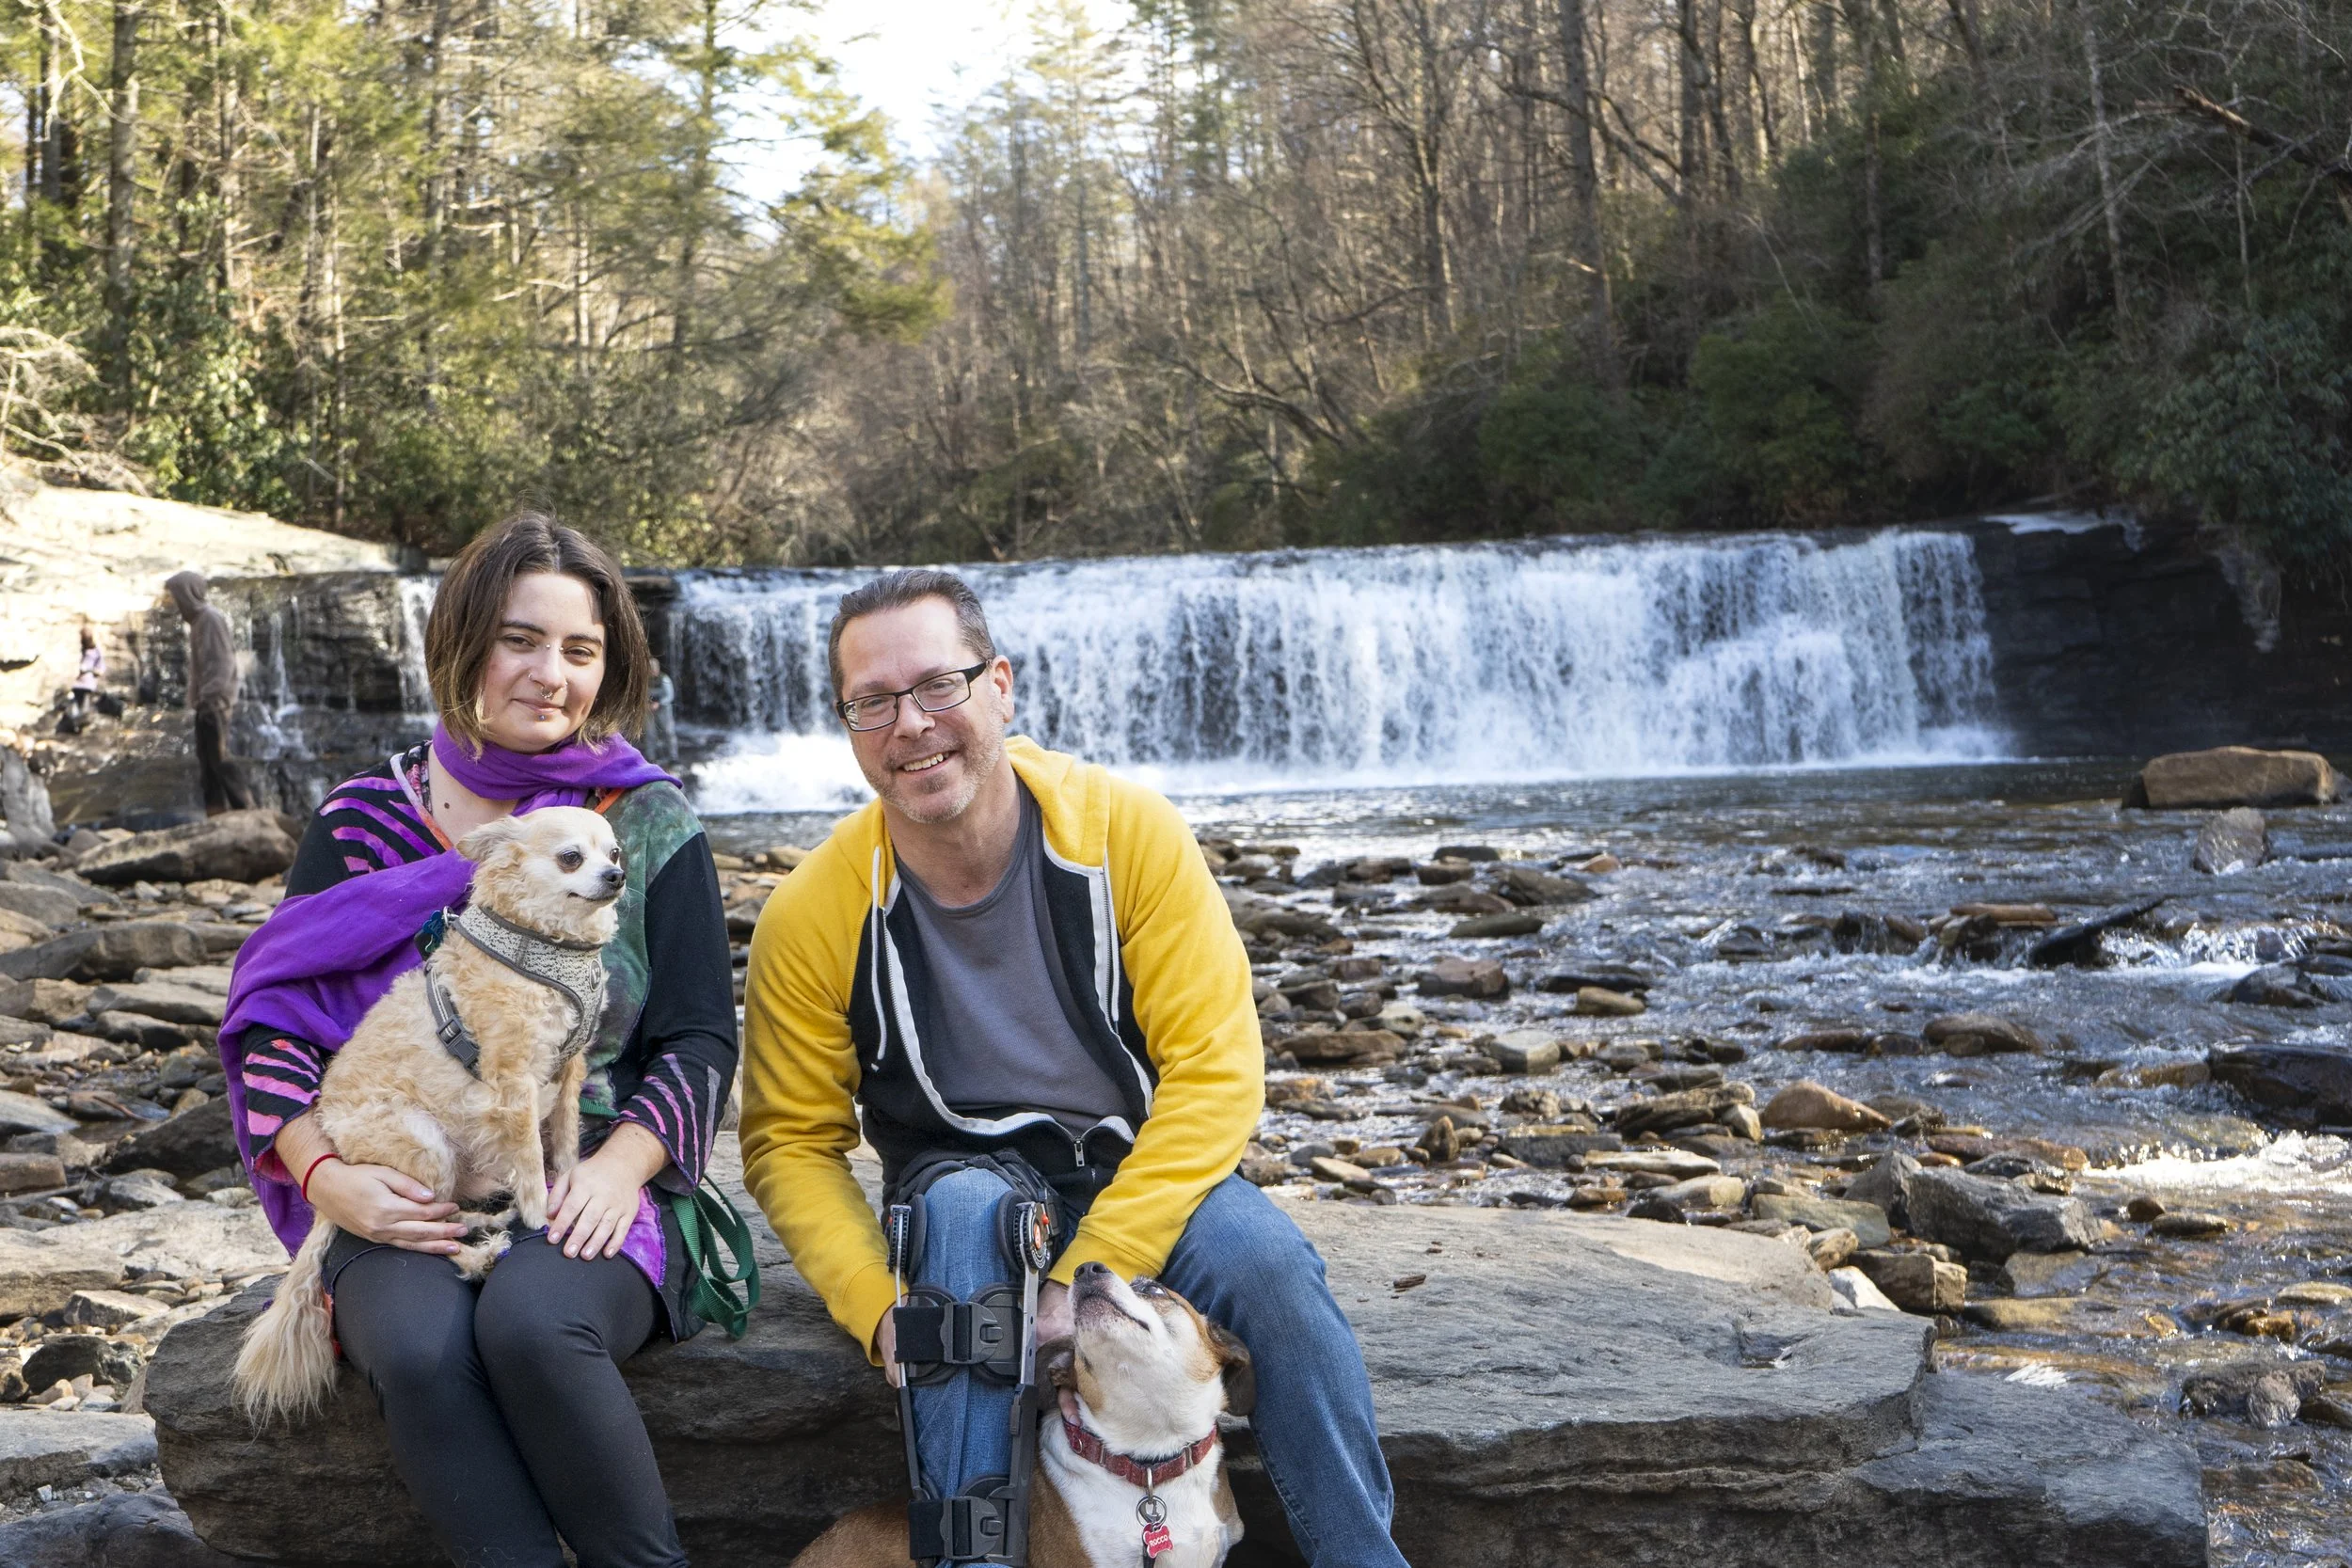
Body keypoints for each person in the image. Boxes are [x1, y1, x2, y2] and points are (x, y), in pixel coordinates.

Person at [739, 569, 1408, 1568]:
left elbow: (1216, 1073)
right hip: (958, 1179)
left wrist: (1077, 1273)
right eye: (871, 701)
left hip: (1137, 1169)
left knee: (1272, 1273)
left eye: (939, 686)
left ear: (999, 685)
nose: (911, 724)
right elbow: (791, 1141)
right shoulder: (812, 911)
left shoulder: (1128, 834)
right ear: (847, 723)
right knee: (965, 1231)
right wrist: (878, 1306)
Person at [218, 512, 739, 1568]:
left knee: (531, 1324)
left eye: (580, 649)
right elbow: (279, 1023)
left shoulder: (644, 823)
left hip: (588, 1163)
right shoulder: (364, 823)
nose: (550, 673)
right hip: (401, 1163)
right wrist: (325, 1177)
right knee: (416, 1343)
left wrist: (621, 1166)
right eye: (520, 639)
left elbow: (697, 1037)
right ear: (463, 643)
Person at [165, 571, 257, 814]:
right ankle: (216, 814)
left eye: (177, 596)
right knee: (207, 763)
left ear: (188, 594)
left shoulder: (209, 619)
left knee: (220, 759)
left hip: (215, 702)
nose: (176, 603)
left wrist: (209, 696)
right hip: (206, 702)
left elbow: (222, 663)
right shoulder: (198, 622)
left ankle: (246, 810)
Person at [60, 626, 102, 734]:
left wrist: (89, 670)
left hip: (87, 684)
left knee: (84, 707)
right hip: (78, 684)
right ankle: (76, 725)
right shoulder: (80, 650)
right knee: (75, 706)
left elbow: (100, 669)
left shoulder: (95, 651)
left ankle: (82, 727)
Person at [645, 657, 678, 765]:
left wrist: (659, 703)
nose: (652, 671)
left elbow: (670, 696)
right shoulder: (645, 680)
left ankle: (673, 757)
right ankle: (651, 757)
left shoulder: (664, 679)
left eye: (654, 669)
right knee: (650, 734)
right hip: (648, 709)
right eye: (650, 669)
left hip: (664, 709)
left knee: (669, 732)